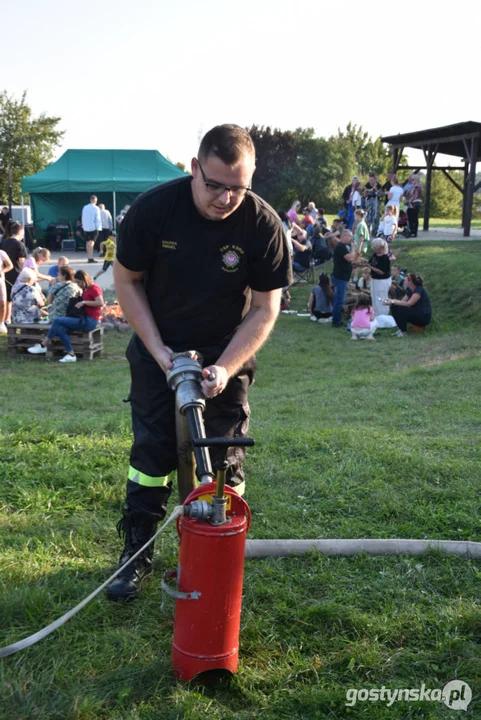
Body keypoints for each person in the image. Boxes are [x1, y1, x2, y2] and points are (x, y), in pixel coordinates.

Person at [107, 123, 291, 601]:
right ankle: (136, 556)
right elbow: (126, 282)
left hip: (226, 350)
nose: (226, 198)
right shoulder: (153, 211)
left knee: (225, 457)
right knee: (152, 455)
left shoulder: (263, 225)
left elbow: (265, 306)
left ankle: (218, 556)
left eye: (238, 188)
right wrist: (159, 351)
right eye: (214, 185)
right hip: (158, 348)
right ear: (194, 169)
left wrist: (227, 368)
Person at [28, 269, 104, 362]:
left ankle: (43, 344)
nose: (78, 285)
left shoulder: (94, 288)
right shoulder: (85, 289)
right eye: (76, 283)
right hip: (82, 317)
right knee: (60, 329)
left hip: (90, 321)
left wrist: (84, 302)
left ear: (84, 280)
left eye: (79, 283)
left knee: (57, 320)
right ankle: (71, 355)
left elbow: (100, 303)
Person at [384, 272, 432, 337]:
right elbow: (402, 302)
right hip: (416, 313)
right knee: (395, 307)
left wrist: (393, 301)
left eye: (405, 280)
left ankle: (403, 333)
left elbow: (409, 304)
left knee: (400, 308)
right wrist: (391, 301)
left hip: (423, 316)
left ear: (411, 282)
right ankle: (401, 329)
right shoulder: (410, 290)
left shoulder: (418, 289)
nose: (404, 281)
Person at [0, 221, 27, 324]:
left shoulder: (3, 242)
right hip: (15, 274)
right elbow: (22, 262)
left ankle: (5, 319)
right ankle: (8, 319)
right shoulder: (19, 244)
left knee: (5, 298)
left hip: (3, 273)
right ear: (19, 232)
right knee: (12, 299)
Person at [331, 229, 358, 328]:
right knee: (340, 300)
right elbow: (350, 258)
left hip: (342, 277)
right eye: (350, 236)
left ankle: (337, 319)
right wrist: (353, 248)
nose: (351, 239)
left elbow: (351, 259)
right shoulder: (341, 247)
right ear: (344, 236)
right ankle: (336, 321)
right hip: (340, 277)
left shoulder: (343, 247)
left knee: (339, 299)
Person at [366, 238, 391, 317]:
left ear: (381, 248)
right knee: (374, 296)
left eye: (375, 247)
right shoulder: (374, 256)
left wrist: (370, 267)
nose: (373, 248)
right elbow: (369, 263)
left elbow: (382, 272)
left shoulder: (385, 258)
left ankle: (383, 313)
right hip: (374, 279)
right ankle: (375, 313)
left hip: (382, 280)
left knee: (381, 296)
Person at [81, 195, 102, 263]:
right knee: (91, 243)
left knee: (88, 243)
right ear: (95, 201)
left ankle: (89, 257)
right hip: (93, 228)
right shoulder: (96, 208)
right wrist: (98, 227)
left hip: (86, 228)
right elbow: (98, 219)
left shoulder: (85, 207)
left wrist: (83, 226)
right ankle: (91, 258)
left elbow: (83, 217)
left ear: (90, 200)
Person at [0, 248, 14, 333]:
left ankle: (1, 323)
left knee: (3, 302)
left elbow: (10, 265)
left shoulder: (1, 253)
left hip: (0, 281)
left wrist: (2, 271)